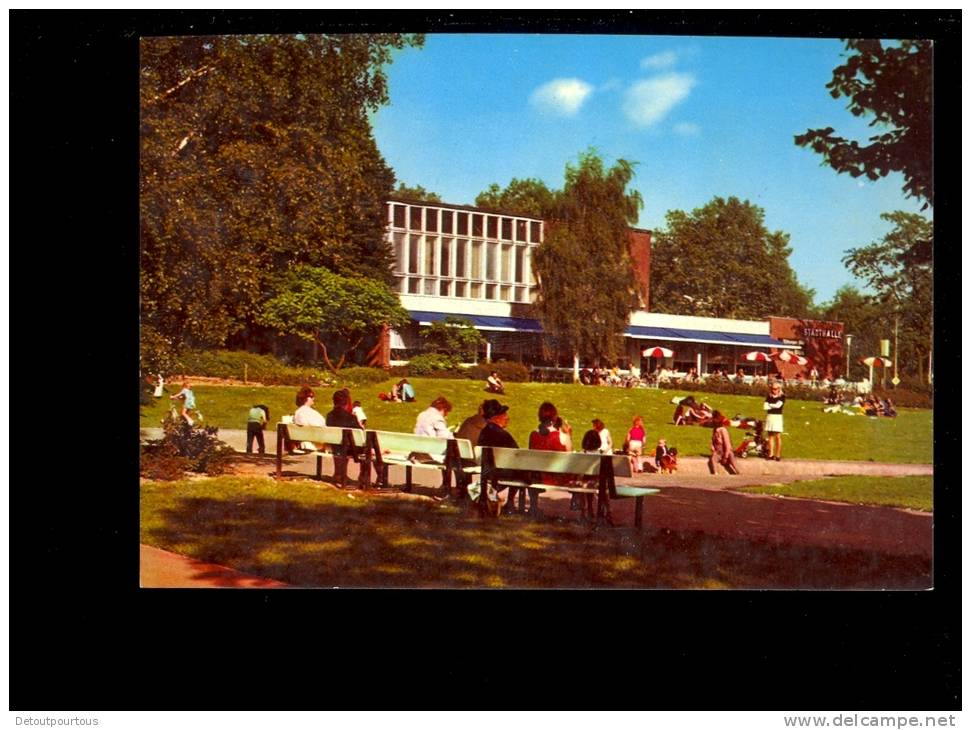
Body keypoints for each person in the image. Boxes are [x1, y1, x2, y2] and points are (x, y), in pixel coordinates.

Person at [477, 399, 523, 516]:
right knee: (523, 471)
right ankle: (510, 502)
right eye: (504, 415)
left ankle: (493, 498)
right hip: (502, 472)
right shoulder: (503, 435)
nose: (507, 417)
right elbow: (517, 453)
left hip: (487, 472)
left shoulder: (483, 432)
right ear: (496, 417)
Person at [526, 402, 568, 517]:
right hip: (555, 477)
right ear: (554, 417)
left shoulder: (533, 435)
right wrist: (568, 435)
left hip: (537, 476)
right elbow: (567, 458)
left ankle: (533, 506)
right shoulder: (559, 436)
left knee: (533, 469)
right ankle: (579, 504)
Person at [326, 388, 366, 486]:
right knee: (368, 450)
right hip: (350, 449)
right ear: (347, 402)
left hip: (335, 447)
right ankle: (363, 477)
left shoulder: (329, 416)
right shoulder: (351, 417)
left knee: (342, 445)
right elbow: (360, 434)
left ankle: (339, 474)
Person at [708, 411, 740, 475]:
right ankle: (715, 472)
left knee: (732, 459)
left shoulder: (723, 430)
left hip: (726, 451)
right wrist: (712, 447)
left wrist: (725, 456)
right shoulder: (715, 430)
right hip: (718, 451)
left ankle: (737, 471)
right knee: (713, 459)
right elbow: (712, 440)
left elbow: (727, 445)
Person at [763, 381, 786, 461]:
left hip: (777, 417)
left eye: (775, 389)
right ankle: (771, 454)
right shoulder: (769, 396)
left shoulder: (782, 397)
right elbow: (765, 407)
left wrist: (770, 405)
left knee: (777, 436)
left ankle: (778, 454)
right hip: (770, 416)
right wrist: (772, 405)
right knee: (770, 436)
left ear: (779, 389)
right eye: (772, 389)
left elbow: (778, 406)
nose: (773, 390)